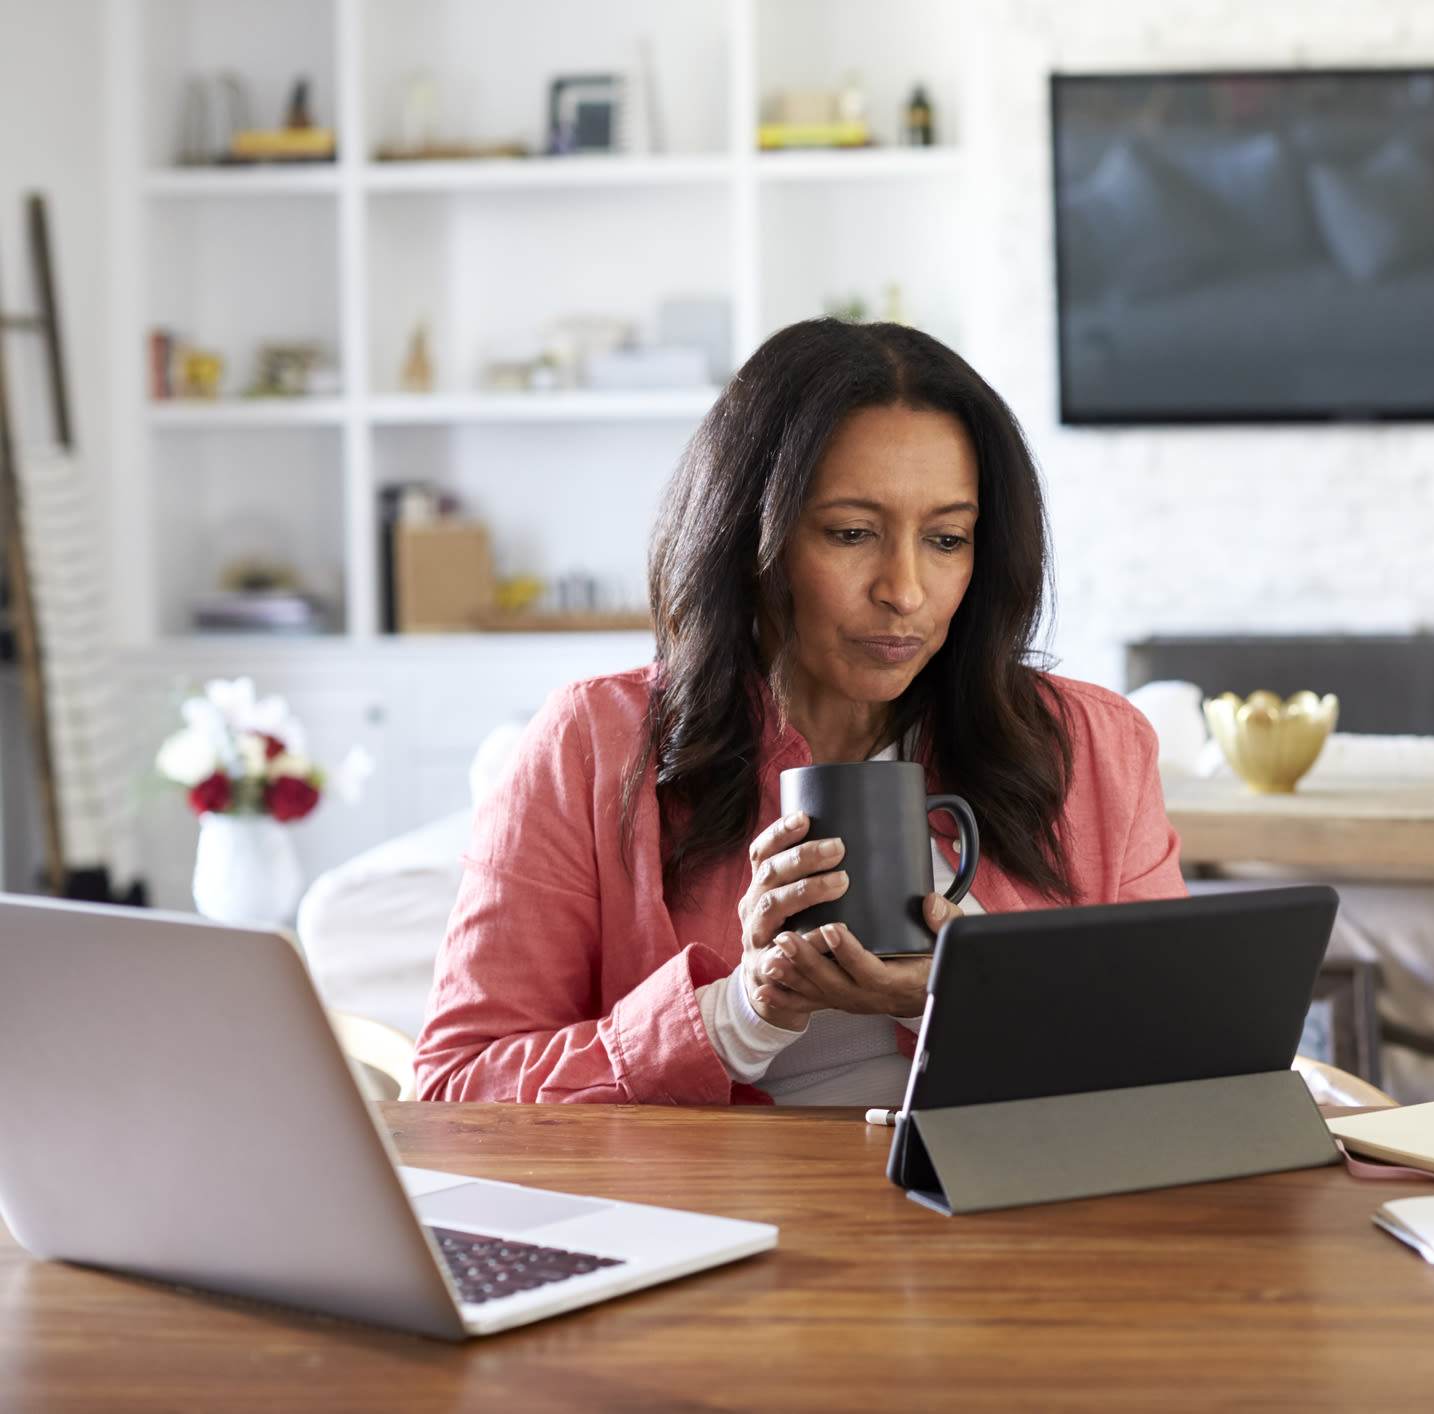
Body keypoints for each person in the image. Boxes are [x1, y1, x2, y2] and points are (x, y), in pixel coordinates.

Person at [414, 320, 1187, 1105]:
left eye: (947, 539)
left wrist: (978, 1005)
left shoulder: (1091, 746)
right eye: (851, 533)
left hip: (999, 1214)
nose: (905, 590)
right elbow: (454, 1094)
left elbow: (1187, 1056)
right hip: (716, 1221)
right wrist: (738, 1013)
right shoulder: (594, 744)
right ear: (750, 539)